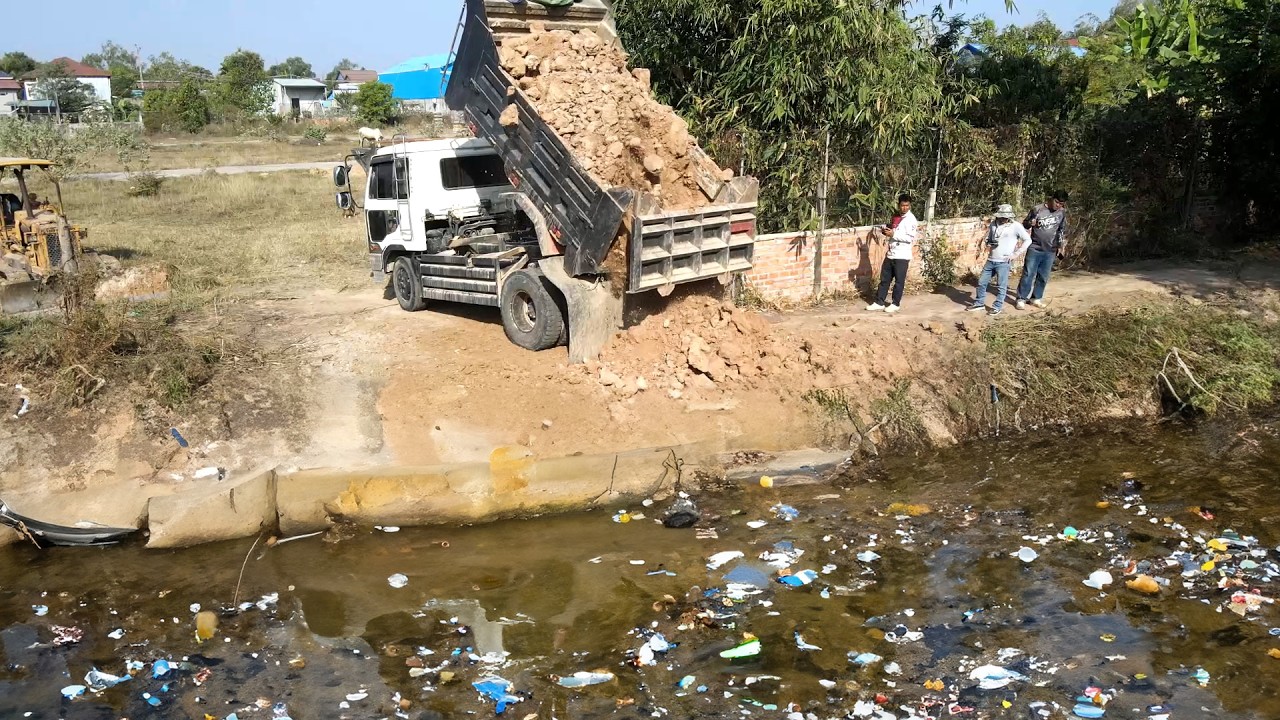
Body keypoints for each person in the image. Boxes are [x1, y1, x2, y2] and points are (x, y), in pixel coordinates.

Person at [968, 203, 1031, 316]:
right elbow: (990, 238)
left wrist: (1016, 254)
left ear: (1009, 216)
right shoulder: (993, 224)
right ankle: (979, 303)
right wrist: (988, 243)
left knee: (1001, 286)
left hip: (1004, 261)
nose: (1003, 219)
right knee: (982, 282)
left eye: (1005, 217)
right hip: (991, 259)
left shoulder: (1016, 226)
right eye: (1001, 216)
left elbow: (1028, 240)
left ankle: (997, 306)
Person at [1015, 190, 1069, 310]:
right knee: (1028, 273)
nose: (1058, 205)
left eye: (1061, 203)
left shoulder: (1061, 213)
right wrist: (1031, 223)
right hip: (1035, 247)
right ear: (1051, 198)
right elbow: (1024, 224)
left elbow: (1061, 229)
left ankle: (1036, 298)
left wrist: (1060, 245)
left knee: (1043, 276)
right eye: (1057, 202)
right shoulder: (1037, 209)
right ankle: (1021, 298)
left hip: (1050, 249)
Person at [866, 193, 918, 314]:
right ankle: (879, 302)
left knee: (899, 282)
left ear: (910, 206)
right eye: (902, 205)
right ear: (898, 205)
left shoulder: (911, 220)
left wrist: (893, 234)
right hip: (891, 253)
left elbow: (909, 238)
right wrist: (887, 231)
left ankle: (895, 303)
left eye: (907, 206)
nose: (904, 208)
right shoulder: (896, 217)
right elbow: (893, 231)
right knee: (885, 279)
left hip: (902, 255)